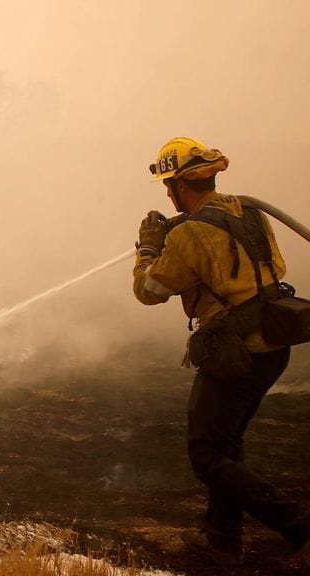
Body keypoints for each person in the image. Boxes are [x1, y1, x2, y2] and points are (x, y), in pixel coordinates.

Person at [133, 136, 310, 568]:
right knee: (225, 445)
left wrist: (148, 248)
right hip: (272, 344)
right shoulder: (246, 210)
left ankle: (299, 526)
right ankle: (221, 541)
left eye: (168, 186)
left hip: (235, 353)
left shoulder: (192, 232)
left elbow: (149, 290)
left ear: (179, 185)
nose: (167, 194)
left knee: (207, 454)